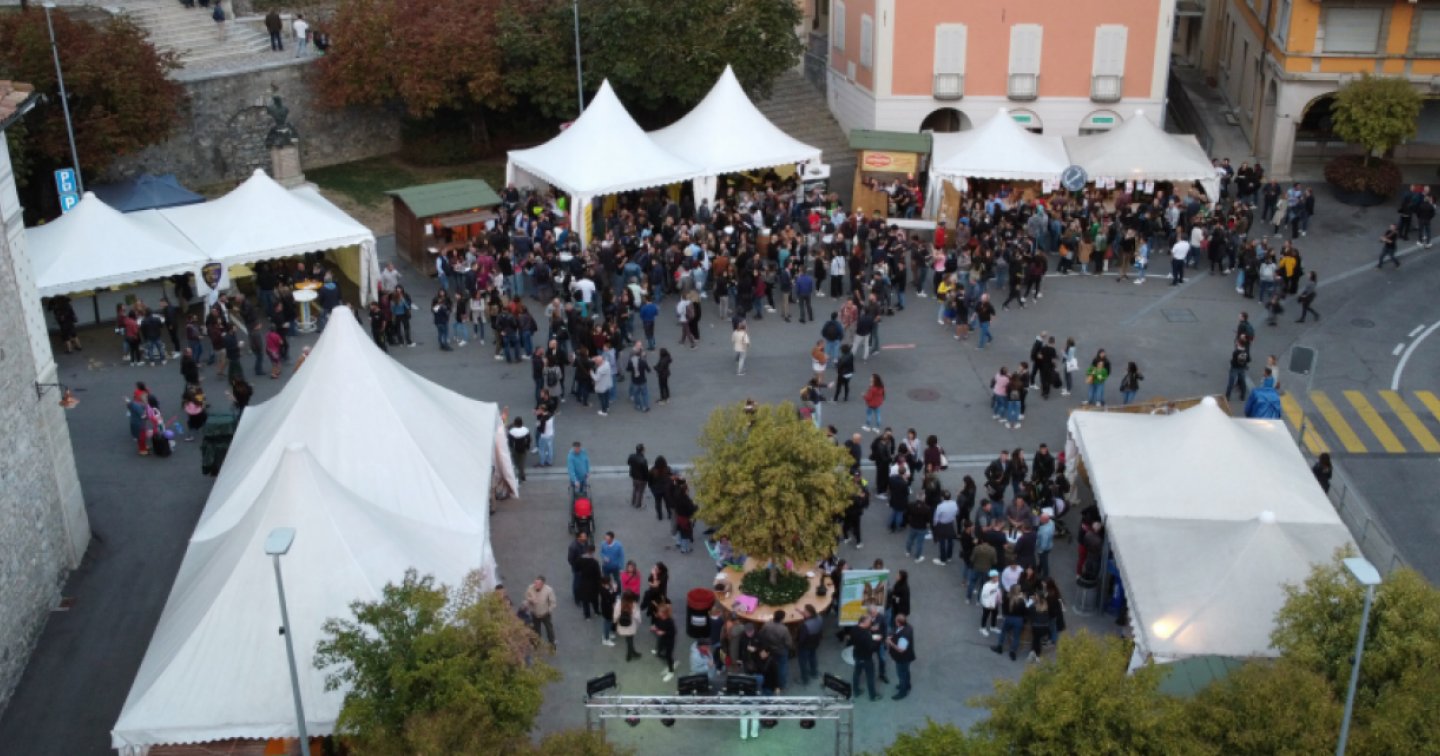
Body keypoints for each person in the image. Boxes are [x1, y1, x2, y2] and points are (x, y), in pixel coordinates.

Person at [849, 615, 880, 701]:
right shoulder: (866, 635)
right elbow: (872, 648)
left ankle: (856, 690)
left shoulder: (854, 629)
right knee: (870, 676)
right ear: (865, 622)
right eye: (869, 622)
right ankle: (873, 695)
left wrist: (870, 629)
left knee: (856, 673)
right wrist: (877, 641)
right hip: (866, 658)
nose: (871, 624)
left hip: (857, 655)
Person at [886, 613, 916, 700]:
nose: (895, 622)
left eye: (896, 621)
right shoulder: (908, 627)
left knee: (901, 675)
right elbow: (896, 631)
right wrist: (892, 635)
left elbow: (901, 650)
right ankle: (907, 685)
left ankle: (902, 692)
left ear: (899, 623)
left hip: (902, 658)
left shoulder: (904, 636)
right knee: (906, 671)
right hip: (908, 656)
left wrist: (890, 643)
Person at [524, 576, 557, 647]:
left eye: (538, 584)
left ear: (543, 584)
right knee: (536, 629)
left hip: (545, 614)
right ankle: (536, 643)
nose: (535, 585)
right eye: (535, 583)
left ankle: (552, 642)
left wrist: (549, 610)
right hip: (534, 613)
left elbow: (553, 603)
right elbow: (526, 596)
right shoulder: (530, 588)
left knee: (549, 629)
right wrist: (531, 600)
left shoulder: (549, 590)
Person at [650, 604, 678, 682]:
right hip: (662, 639)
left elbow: (673, 632)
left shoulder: (669, 621)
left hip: (669, 641)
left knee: (668, 655)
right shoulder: (659, 619)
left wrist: (664, 632)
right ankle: (671, 662)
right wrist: (655, 627)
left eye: (659, 612)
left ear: (664, 613)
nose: (658, 613)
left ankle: (671, 672)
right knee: (659, 653)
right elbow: (658, 625)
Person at [797, 604, 823, 685]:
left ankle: (804, 679)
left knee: (803, 663)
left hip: (805, 646)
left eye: (805, 611)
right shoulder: (819, 617)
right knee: (813, 657)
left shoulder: (805, 626)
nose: (803, 612)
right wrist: (801, 612)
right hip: (815, 643)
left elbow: (801, 639)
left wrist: (797, 646)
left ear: (809, 613)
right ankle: (814, 673)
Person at [575, 546, 602, 620]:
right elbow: (598, 573)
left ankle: (587, 615)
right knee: (595, 598)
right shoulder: (594, 562)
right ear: (593, 551)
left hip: (584, 581)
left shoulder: (580, 559)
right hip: (593, 582)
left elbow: (576, 568)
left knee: (585, 600)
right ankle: (596, 611)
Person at [614, 592, 641, 661]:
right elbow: (637, 616)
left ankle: (632, 652)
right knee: (630, 639)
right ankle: (630, 654)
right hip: (631, 626)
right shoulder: (633, 604)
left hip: (622, 625)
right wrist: (639, 622)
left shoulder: (619, 603)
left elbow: (616, 615)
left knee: (628, 639)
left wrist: (615, 621)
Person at [627, 444, 649, 510]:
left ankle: (633, 502)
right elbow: (645, 471)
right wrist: (647, 478)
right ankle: (638, 505)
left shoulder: (631, 456)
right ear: (642, 450)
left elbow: (628, 463)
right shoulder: (643, 460)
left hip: (634, 476)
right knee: (640, 491)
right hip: (641, 478)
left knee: (635, 489)